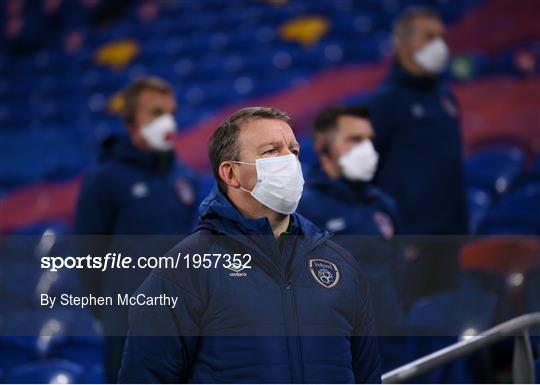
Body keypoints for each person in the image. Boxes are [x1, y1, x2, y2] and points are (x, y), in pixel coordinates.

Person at [119, 107, 381, 383]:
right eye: (270, 151)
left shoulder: (340, 264)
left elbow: (368, 376)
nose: (289, 162)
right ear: (231, 174)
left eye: (293, 151)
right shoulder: (182, 273)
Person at [74, 76, 198, 381]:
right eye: (156, 113)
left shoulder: (185, 179)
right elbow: (87, 253)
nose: (167, 121)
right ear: (131, 118)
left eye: (171, 113)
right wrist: (105, 310)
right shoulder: (104, 178)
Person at [368, 8, 468, 302]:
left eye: (442, 37)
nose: (440, 45)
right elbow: (367, 169)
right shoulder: (386, 101)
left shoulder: (445, 96)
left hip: (451, 236)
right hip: (409, 240)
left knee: (445, 318)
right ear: (404, 45)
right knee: (412, 326)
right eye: (430, 37)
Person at [298, 105, 403, 371]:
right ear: (324, 144)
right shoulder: (301, 208)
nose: (367, 149)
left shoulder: (383, 204)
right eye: (355, 140)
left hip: (388, 346)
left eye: (369, 140)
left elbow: (398, 273)